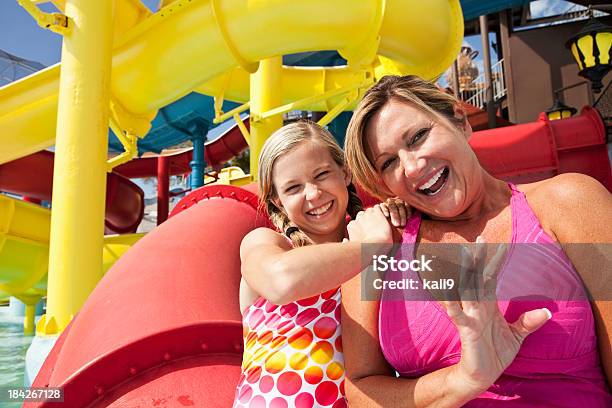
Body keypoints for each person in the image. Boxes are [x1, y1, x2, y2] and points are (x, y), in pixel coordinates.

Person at [341, 75, 612, 407]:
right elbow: (361, 390)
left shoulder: (570, 202)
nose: (411, 167)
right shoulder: (378, 247)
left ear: (459, 119)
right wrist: (463, 380)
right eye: (389, 162)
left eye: (418, 137)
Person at [232, 120, 409, 408]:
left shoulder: (375, 236)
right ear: (277, 201)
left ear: (345, 172)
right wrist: (372, 246)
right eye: (293, 188)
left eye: (322, 174)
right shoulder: (266, 244)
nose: (313, 194)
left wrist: (403, 215)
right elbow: (282, 282)